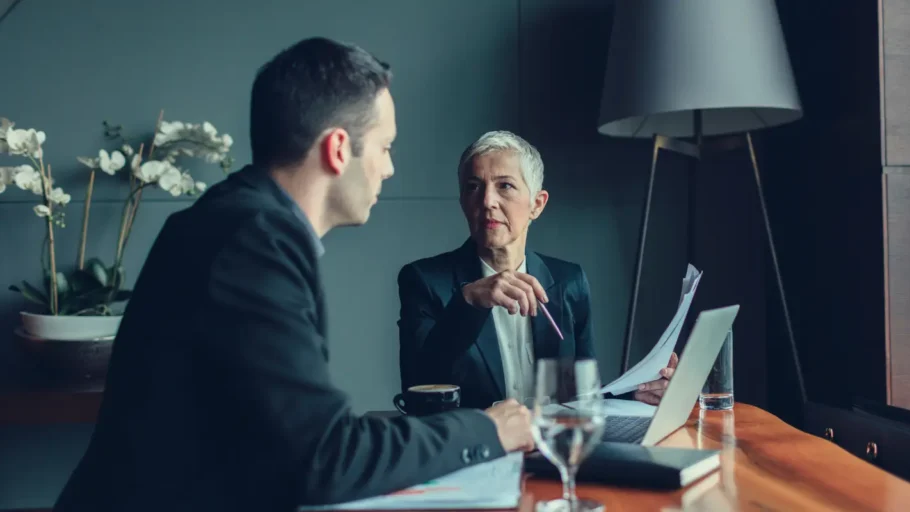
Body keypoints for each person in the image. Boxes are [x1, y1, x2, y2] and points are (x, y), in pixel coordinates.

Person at [53, 38, 534, 512]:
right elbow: (323, 459)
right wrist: (488, 430)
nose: (388, 168)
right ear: (338, 149)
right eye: (385, 147)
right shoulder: (252, 244)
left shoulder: (236, 221)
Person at [397, 130, 677, 410]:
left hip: (555, 446)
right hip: (477, 450)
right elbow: (417, 385)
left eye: (504, 186)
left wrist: (634, 395)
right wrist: (468, 303)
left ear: (537, 205)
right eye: (473, 187)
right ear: (462, 203)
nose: (487, 201)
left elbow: (583, 397)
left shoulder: (569, 282)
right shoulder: (424, 281)